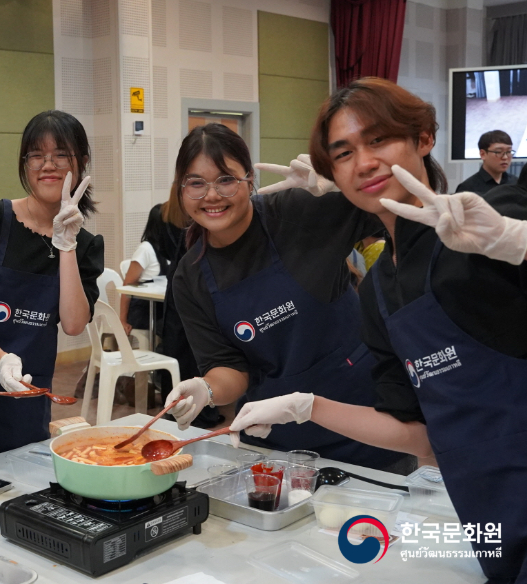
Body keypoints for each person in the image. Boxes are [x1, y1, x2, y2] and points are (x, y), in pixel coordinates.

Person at [228, 77, 527, 582]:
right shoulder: (378, 291)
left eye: (378, 140)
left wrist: (516, 241)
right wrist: (306, 408)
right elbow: (419, 435)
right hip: (487, 509)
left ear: (424, 138)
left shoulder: (491, 222)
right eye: (342, 154)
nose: (363, 162)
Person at [165, 123, 410, 472]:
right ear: (181, 189)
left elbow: (398, 212)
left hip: (365, 420)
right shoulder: (191, 276)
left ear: (250, 179)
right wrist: (207, 388)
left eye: (226, 179)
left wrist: (344, 186)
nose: (212, 196)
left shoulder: (300, 210)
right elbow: (231, 369)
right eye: (196, 183)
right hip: (276, 436)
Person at [0, 110, 104, 465]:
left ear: (81, 163)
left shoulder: (87, 246)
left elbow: (75, 323)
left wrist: (67, 247)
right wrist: (1, 359)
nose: (48, 165)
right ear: (24, 162)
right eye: (36, 154)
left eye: (61, 154)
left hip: (28, 398)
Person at [119, 204, 176, 336]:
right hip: (144, 312)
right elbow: (127, 286)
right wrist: (122, 320)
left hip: (163, 308)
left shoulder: (172, 249)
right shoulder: (145, 249)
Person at [455, 130, 517, 195]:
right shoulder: (468, 188)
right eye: (498, 152)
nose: (505, 157)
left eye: (509, 151)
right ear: (483, 154)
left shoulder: (516, 183)